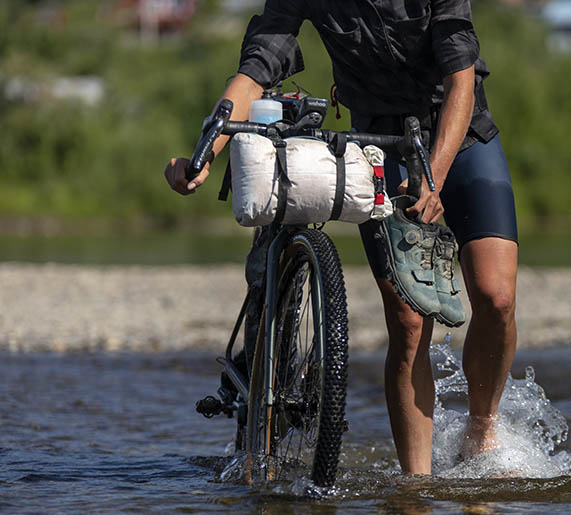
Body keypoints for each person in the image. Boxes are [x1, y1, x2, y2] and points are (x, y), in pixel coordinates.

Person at [164, 0, 518, 475]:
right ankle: (416, 490)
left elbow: (461, 80)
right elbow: (257, 67)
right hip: (379, 142)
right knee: (409, 323)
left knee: (496, 296)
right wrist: (206, 150)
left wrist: (433, 175)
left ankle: (482, 431)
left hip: (463, 132)